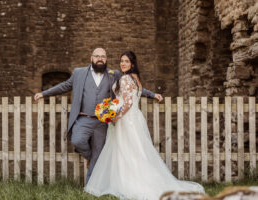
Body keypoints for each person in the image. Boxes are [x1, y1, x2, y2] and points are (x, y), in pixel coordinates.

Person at [84, 51, 205, 199]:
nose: (123, 63)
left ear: (132, 64)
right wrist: (153, 95)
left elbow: (127, 103)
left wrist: (115, 117)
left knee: (126, 151)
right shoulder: (136, 79)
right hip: (135, 119)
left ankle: (128, 183)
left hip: (126, 120)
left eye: (126, 61)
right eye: (121, 61)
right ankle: (130, 180)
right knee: (136, 151)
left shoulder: (125, 79)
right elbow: (133, 97)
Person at [34, 48, 162, 183]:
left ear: (106, 59)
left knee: (98, 154)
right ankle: (88, 156)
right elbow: (64, 86)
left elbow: (132, 88)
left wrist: (152, 94)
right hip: (84, 118)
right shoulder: (79, 73)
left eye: (103, 56)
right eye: (97, 56)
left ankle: (90, 186)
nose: (100, 59)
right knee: (77, 140)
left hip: (103, 122)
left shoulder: (114, 74)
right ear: (91, 58)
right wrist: (44, 93)